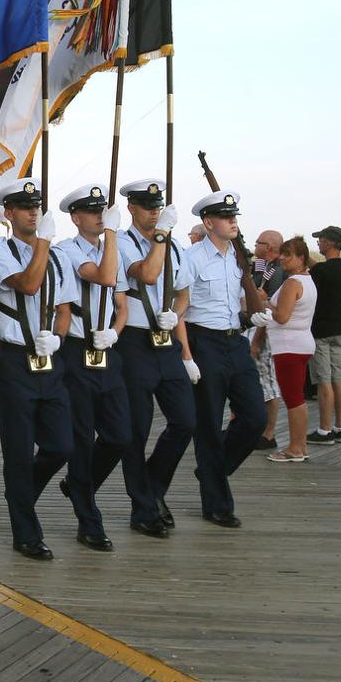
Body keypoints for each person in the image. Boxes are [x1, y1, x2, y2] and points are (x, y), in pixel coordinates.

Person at [0, 176, 76, 560]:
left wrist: (58, 336)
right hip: (15, 361)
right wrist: (42, 244)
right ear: (8, 214)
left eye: (36, 206)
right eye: (25, 207)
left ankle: (19, 493)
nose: (33, 212)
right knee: (19, 451)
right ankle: (26, 530)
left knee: (60, 446)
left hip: (50, 359)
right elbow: (28, 284)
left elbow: (66, 308)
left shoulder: (57, 256)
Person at [109, 179, 196, 537]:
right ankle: (142, 509)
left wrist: (176, 313)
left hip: (165, 341)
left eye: (157, 206)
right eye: (147, 206)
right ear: (131, 208)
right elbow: (147, 274)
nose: (154, 212)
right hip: (134, 342)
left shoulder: (174, 247)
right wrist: (160, 235)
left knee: (185, 421)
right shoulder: (123, 245)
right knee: (136, 429)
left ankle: (152, 486)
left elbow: (184, 292)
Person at [53, 183, 129, 551]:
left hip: (106, 349)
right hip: (77, 351)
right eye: (93, 212)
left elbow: (121, 303)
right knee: (81, 439)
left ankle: (78, 484)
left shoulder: (111, 249)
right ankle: (89, 520)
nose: (101, 217)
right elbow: (102, 275)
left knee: (119, 435)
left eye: (104, 211)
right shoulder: (66, 251)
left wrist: (114, 333)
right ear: (76, 217)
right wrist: (113, 234)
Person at [184, 191, 267, 528]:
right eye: (225, 216)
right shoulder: (191, 258)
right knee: (207, 424)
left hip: (235, 341)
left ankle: (211, 469)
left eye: (234, 215)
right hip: (203, 342)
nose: (233, 220)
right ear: (209, 223)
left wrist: (250, 317)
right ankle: (217, 503)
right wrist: (186, 355)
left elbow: (237, 302)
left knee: (255, 417)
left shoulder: (240, 258)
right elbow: (180, 308)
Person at [252, 237, 317, 462]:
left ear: (301, 258)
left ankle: (295, 448)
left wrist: (265, 301)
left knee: (293, 398)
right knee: (296, 397)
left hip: (288, 346)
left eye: (288, 255)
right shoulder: (308, 280)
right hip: (301, 343)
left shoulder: (292, 283)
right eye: (283, 254)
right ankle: (301, 445)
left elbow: (281, 316)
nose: (282, 258)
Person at [308, 226, 341, 445]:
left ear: (330, 243)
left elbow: (317, 272)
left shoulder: (321, 272)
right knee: (339, 376)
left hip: (320, 330)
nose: (319, 243)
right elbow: (323, 270)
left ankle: (324, 430)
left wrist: (303, 256)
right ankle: (340, 428)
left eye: (321, 239)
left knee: (323, 380)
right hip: (339, 328)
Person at [250, 230, 285, 450]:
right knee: (256, 382)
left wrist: (257, 340)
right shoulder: (264, 268)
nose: (255, 246)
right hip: (254, 328)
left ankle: (269, 433)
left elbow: (270, 307)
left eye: (259, 243)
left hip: (265, 333)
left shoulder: (277, 273)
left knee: (269, 384)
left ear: (269, 247)